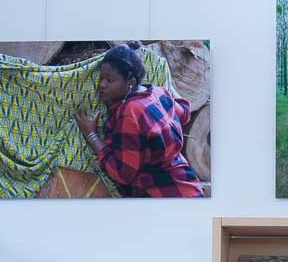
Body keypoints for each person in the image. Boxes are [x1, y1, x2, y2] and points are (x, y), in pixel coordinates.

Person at [75, 42, 204, 197]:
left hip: (165, 195)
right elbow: (185, 113)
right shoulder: (158, 92)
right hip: (189, 187)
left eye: (110, 80)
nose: (102, 85)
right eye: (101, 78)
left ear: (131, 82)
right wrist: (167, 88)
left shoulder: (130, 113)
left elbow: (123, 173)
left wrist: (91, 135)